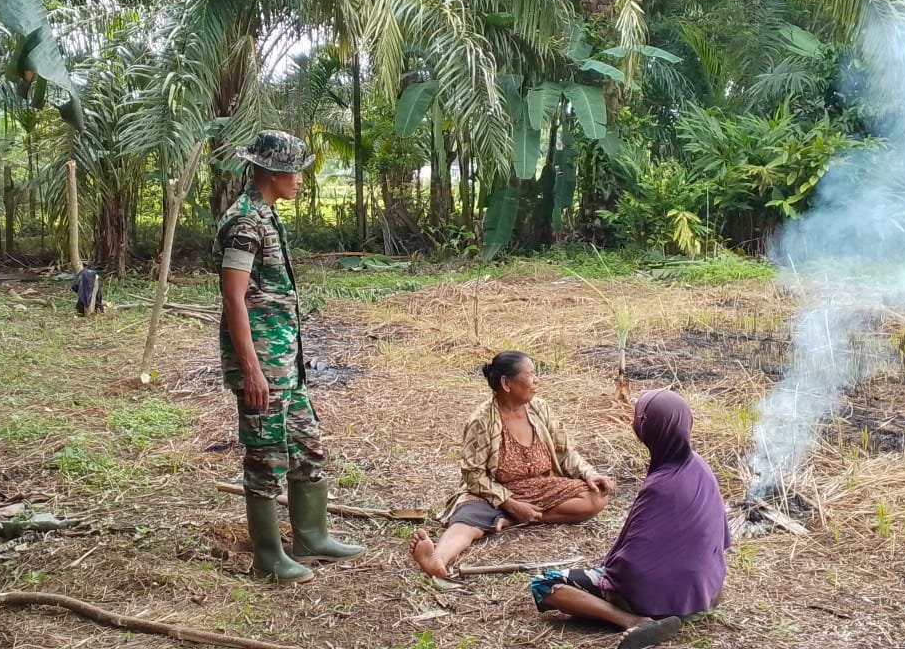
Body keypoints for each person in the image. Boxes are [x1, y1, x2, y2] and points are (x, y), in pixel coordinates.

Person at [218, 130, 362, 584]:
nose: (300, 179)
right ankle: (268, 555)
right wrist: (252, 371)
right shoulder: (244, 222)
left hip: (286, 363)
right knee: (264, 456)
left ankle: (312, 537)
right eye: (296, 170)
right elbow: (233, 299)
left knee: (307, 445)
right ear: (275, 171)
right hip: (263, 364)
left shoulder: (265, 215)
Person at [527, 389, 730, 649]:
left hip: (654, 599)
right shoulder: (700, 469)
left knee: (544, 584)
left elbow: (632, 566)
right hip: (704, 595)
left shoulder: (661, 484)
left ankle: (632, 620)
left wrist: (608, 577)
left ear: (647, 428)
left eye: (638, 417)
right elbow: (720, 539)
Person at [410, 351, 615, 578]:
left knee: (597, 497)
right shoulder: (482, 421)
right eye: (530, 374)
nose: (537, 381)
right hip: (493, 494)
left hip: (540, 487)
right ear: (506, 383)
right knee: (465, 521)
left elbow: (565, 452)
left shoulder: (540, 408)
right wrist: (509, 503)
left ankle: (510, 521)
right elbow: (473, 475)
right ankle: (437, 559)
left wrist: (589, 473)